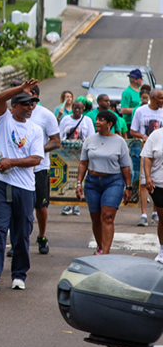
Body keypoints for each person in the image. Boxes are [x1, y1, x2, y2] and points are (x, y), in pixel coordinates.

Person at [0, 81, 44, 293]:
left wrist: (11, 162)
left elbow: (35, 159)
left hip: (25, 188)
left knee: (22, 233)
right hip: (3, 185)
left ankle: (19, 275)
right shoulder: (3, 120)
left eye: (32, 104)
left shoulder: (35, 129)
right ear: (14, 106)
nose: (29, 107)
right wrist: (19, 90)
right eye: (25, 103)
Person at [76, 111, 132, 255]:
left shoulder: (119, 141)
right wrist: (78, 183)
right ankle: (100, 247)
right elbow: (83, 163)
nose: (97, 122)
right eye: (97, 120)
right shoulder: (89, 140)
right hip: (92, 182)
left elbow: (125, 166)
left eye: (101, 120)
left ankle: (105, 253)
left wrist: (128, 187)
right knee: (95, 218)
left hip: (113, 182)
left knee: (107, 216)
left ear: (110, 124)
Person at [27, 86, 61, 255]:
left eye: (32, 98)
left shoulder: (46, 115)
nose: (28, 103)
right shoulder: (16, 114)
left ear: (37, 97)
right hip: (20, 167)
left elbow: (56, 141)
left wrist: (38, 150)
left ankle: (42, 236)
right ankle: (21, 239)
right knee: (20, 206)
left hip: (39, 167)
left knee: (40, 206)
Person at [131, 88, 163, 226]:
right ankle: (144, 214)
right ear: (153, 98)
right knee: (144, 182)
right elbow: (133, 130)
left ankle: (156, 212)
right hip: (144, 149)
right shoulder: (140, 111)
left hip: (159, 150)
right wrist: (144, 136)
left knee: (157, 181)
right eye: (161, 98)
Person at [59, 99, 95, 217]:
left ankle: (76, 204)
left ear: (83, 109)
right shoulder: (65, 120)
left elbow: (91, 138)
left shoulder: (87, 121)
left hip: (81, 155)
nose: (77, 110)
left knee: (79, 178)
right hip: (67, 155)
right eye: (75, 108)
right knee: (67, 178)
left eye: (80, 108)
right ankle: (67, 204)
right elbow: (60, 136)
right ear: (72, 108)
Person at [141, 126, 163, 262]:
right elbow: (147, 157)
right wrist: (148, 177)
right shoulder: (156, 135)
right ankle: (162, 250)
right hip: (159, 183)